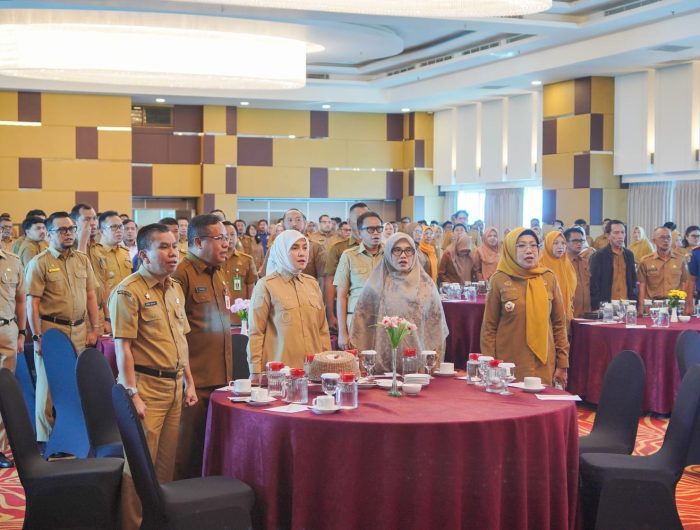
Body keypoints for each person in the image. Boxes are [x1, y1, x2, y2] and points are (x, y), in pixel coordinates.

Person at [109, 223, 197, 529]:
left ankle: (157, 523)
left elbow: (181, 340)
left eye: (174, 246)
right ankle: (131, 525)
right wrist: (131, 393)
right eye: (163, 247)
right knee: (138, 468)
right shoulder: (128, 291)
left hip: (174, 386)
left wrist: (189, 381)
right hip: (146, 388)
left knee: (164, 466)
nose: (173, 253)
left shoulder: (175, 288)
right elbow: (123, 348)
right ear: (144, 254)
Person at [26, 212, 100, 444]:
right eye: (62, 230)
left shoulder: (82, 259)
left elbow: (91, 295)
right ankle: (46, 441)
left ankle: (75, 437)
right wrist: (37, 337)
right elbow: (32, 303)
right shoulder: (40, 263)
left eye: (71, 229)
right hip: (52, 331)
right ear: (49, 234)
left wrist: (95, 327)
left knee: (77, 386)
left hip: (79, 329)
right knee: (47, 388)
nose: (68, 234)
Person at [172, 215, 232, 480]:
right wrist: (188, 381)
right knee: (187, 453)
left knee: (212, 450)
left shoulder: (217, 273)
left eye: (227, 238)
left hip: (220, 379)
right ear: (197, 242)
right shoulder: (181, 275)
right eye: (219, 238)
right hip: (195, 382)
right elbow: (175, 333)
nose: (226, 244)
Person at [480, 227, 569, 387]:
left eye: (533, 245)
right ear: (510, 249)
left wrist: (562, 363)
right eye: (521, 245)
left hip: (543, 364)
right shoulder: (499, 279)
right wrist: (490, 365)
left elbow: (559, 324)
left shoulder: (548, 278)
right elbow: (489, 328)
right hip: (509, 364)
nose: (529, 250)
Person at [350, 232, 448, 373]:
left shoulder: (426, 286)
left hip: (418, 366)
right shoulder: (375, 285)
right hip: (381, 366)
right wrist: (363, 361)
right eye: (397, 250)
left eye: (408, 250)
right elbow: (361, 325)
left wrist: (432, 364)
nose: (403, 256)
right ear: (388, 254)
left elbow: (436, 325)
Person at [247, 230, 330, 374]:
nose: (302, 253)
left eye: (305, 248)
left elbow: (322, 330)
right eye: (294, 248)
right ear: (281, 252)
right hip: (280, 373)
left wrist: (327, 364)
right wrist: (255, 371)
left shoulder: (312, 284)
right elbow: (256, 332)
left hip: (314, 371)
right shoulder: (266, 285)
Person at [334, 212, 384, 349]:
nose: (376, 233)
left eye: (379, 228)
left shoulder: (390, 254)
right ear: (360, 233)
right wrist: (342, 332)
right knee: (359, 360)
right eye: (370, 229)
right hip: (358, 320)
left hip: (386, 321)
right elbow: (341, 296)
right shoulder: (349, 256)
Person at [0, 244, 26, 468]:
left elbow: (20, 299)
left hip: (7, 330)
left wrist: (22, 333)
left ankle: (0, 449)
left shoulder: (13, 261)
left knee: (4, 389)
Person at [323, 203, 369, 330]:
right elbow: (330, 281)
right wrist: (330, 314)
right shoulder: (338, 249)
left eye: (366, 217)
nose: (363, 221)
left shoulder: (380, 248)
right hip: (346, 309)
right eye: (358, 218)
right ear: (349, 222)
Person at [94, 211, 133, 335]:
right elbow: (97, 290)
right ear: (101, 231)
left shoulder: (124, 252)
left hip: (127, 310)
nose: (119, 230)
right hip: (107, 313)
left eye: (121, 226)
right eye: (114, 227)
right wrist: (107, 318)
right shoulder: (96, 253)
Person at [589, 220, 637, 310]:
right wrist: (596, 306)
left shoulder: (629, 255)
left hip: (626, 304)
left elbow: (633, 281)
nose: (620, 236)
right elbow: (594, 284)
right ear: (607, 235)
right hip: (606, 306)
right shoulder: (599, 256)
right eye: (616, 233)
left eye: (622, 232)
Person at [638, 227, 690, 309]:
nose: (666, 240)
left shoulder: (680, 259)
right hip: (653, 306)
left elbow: (684, 283)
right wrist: (641, 308)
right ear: (654, 241)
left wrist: (685, 307)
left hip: (674, 305)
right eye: (662, 237)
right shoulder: (645, 261)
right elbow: (642, 286)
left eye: (668, 237)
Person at [539, 230, 577, 323]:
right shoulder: (540, 264)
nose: (560, 246)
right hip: (546, 315)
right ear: (548, 244)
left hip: (566, 313)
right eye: (555, 243)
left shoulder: (567, 264)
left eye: (563, 243)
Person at [222, 221, 258, 303]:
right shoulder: (213, 260)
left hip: (240, 308)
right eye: (226, 235)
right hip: (218, 308)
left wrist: (249, 306)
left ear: (237, 237)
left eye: (232, 234)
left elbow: (251, 286)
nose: (229, 238)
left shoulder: (247, 260)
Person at [564, 226, 594, 317]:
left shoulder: (586, 263)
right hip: (569, 315)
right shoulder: (562, 264)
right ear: (566, 242)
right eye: (575, 241)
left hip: (587, 314)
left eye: (581, 241)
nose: (579, 243)